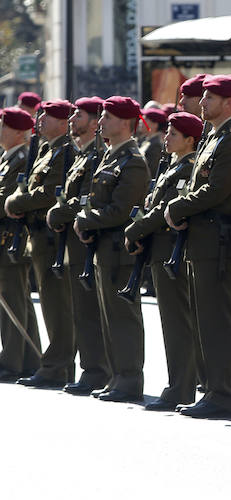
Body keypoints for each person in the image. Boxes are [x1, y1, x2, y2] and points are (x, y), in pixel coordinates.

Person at [165, 74, 231, 419]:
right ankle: (213, 389)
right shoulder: (215, 137)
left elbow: (216, 190)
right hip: (203, 239)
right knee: (206, 319)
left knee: (217, 319)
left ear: (229, 102)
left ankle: (221, 394)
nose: (201, 103)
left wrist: (178, 207)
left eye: (210, 97)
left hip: (217, 240)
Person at [124, 112, 204, 411]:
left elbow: (163, 212)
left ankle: (181, 387)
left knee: (178, 322)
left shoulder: (188, 167)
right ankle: (178, 384)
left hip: (173, 251)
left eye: (173, 134)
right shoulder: (173, 165)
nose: (166, 137)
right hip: (160, 249)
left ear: (189, 140)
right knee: (172, 322)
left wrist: (136, 229)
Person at [74, 96, 151, 402]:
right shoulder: (110, 157)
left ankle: (129, 379)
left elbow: (121, 210)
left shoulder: (132, 160)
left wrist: (85, 220)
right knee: (109, 318)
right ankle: (117, 376)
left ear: (125, 122)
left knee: (123, 317)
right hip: (104, 249)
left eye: (107, 117)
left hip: (120, 249)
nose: (101, 121)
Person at [8, 101, 75, 388]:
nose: (42, 121)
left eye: (48, 117)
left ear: (63, 122)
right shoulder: (48, 150)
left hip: (53, 238)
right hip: (38, 237)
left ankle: (58, 366)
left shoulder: (64, 151)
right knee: (50, 304)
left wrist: (15, 201)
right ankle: (53, 363)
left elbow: (50, 194)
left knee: (59, 307)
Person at [47, 97, 109, 395]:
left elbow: (87, 198)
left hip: (87, 240)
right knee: (81, 310)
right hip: (73, 239)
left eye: (80, 115)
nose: (73, 119)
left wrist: (60, 212)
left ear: (95, 122)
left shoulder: (97, 154)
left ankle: (97, 370)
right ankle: (91, 368)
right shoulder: (83, 155)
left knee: (90, 310)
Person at [0, 107, 42, 381]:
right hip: (6, 239)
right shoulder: (8, 159)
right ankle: (30, 359)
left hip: (13, 238)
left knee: (14, 300)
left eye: (3, 125)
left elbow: (7, 199)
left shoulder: (22, 160)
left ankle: (13, 361)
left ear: (17, 132)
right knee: (18, 301)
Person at [140, 107, 167, 176]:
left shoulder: (156, 145)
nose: (141, 122)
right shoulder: (147, 141)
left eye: (145, 120)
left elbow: (152, 171)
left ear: (155, 124)